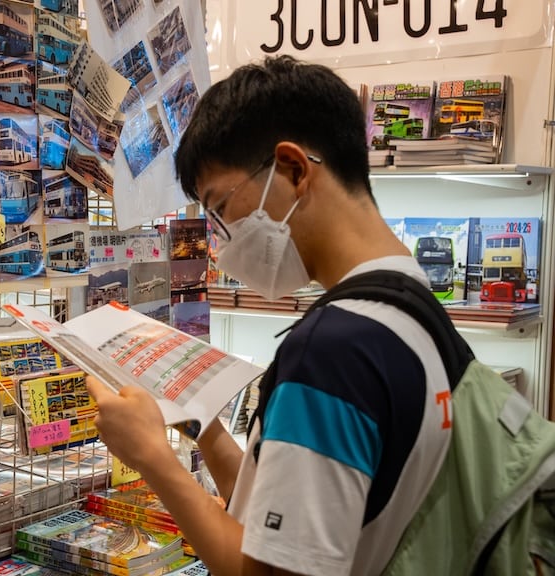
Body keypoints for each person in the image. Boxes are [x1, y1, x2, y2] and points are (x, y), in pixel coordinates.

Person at [86, 55, 452, 575]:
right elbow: (285, 518)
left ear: (294, 169)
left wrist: (152, 457)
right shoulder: (411, 305)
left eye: (220, 207)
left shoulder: (332, 351)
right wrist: (205, 427)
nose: (219, 241)